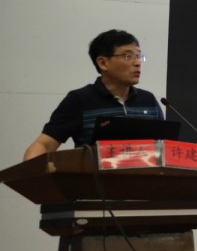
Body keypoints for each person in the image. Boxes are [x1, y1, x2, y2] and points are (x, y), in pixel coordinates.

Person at [23, 29, 163, 161]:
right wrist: (32, 172)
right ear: (103, 63)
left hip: (144, 178)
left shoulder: (148, 100)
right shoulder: (80, 100)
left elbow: (165, 147)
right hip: (96, 178)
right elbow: (44, 145)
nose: (137, 63)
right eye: (128, 56)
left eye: (139, 56)